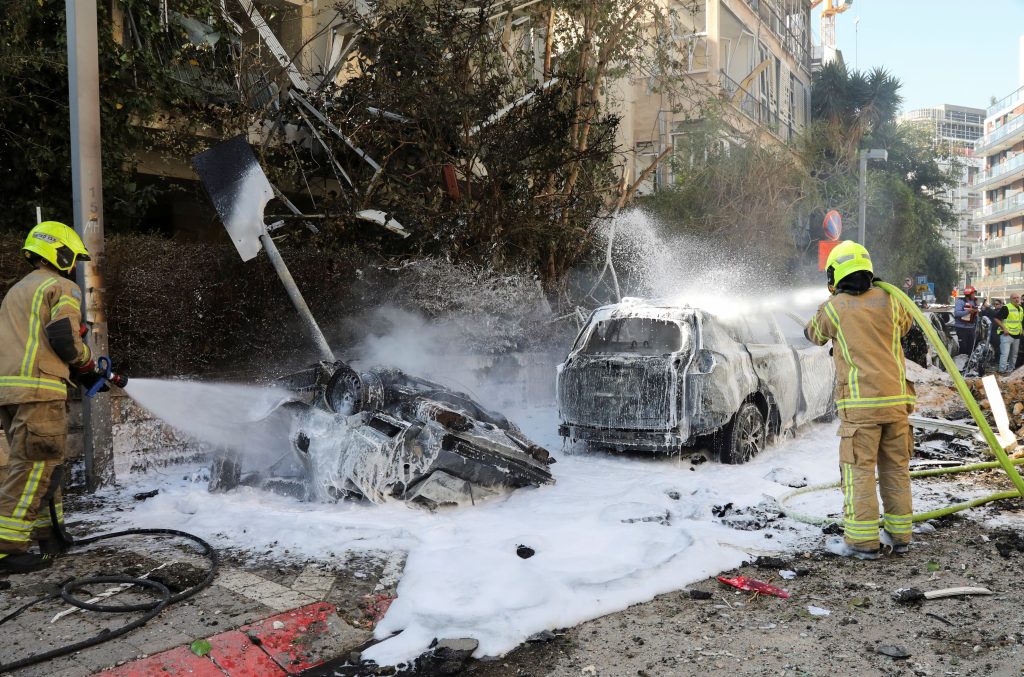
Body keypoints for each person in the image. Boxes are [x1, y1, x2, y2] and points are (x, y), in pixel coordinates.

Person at [0, 221, 110, 573]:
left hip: (11, 391)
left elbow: (35, 341)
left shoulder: (17, 291)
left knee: (44, 466)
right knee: (33, 467)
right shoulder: (61, 286)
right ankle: (6, 548)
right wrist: (87, 364)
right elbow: (64, 338)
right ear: (59, 253)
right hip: (40, 390)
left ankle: (50, 536)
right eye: (71, 257)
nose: (72, 265)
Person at [804, 241, 915, 560]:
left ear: (834, 275)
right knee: (896, 470)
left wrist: (832, 305)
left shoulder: (835, 308)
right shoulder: (892, 300)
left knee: (859, 472)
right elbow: (906, 325)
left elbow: (813, 334)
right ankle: (900, 535)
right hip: (896, 404)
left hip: (860, 407)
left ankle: (861, 542)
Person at [994, 293, 1023, 374]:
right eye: (1014, 298)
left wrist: (1021, 330)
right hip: (1007, 335)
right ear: (1010, 299)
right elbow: (996, 318)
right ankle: (1002, 371)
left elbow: (1019, 321)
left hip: (1017, 335)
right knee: (1005, 354)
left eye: (1017, 297)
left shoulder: (1021, 309)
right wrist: (1004, 328)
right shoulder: (1006, 307)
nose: (1016, 299)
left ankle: (1011, 370)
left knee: (1014, 355)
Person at [953, 286, 979, 355]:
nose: (974, 295)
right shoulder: (960, 301)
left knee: (970, 349)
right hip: (961, 328)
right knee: (963, 348)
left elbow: (977, 315)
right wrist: (968, 311)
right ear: (969, 294)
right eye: (973, 294)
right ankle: (961, 360)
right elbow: (957, 313)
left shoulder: (974, 302)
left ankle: (968, 361)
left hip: (971, 328)